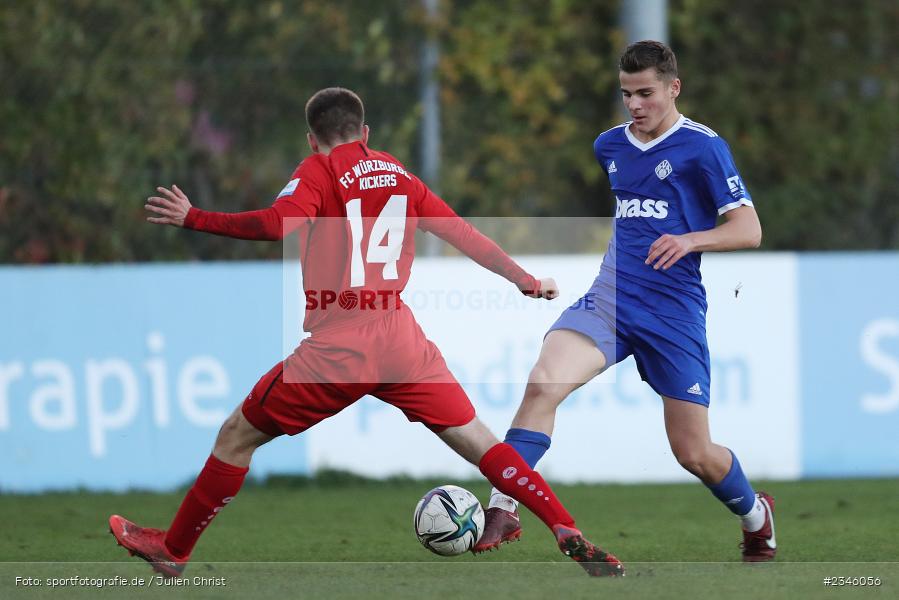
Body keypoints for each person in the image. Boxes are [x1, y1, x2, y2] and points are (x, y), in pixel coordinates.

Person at [108, 87, 624, 577]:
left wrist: (194, 217)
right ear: (365, 132)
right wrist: (525, 280)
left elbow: (277, 224)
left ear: (313, 138)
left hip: (339, 347)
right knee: (484, 445)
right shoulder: (398, 173)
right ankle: (563, 526)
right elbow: (460, 231)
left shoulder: (317, 169)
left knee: (235, 436)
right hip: (401, 342)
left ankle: (173, 551)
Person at [478, 41, 776, 563]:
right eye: (626, 94)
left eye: (646, 93)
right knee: (542, 382)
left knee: (694, 454)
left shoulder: (704, 148)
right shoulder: (609, 146)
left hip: (672, 312)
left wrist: (689, 239)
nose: (635, 105)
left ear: (673, 88)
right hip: (611, 299)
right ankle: (504, 505)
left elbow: (748, 229)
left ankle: (756, 516)